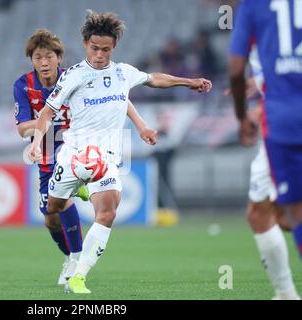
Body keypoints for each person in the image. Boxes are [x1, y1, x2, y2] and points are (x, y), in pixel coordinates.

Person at [28, 12, 212, 294]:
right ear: (85, 43)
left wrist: (189, 82)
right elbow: (45, 114)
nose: (100, 55)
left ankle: (79, 276)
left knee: (107, 213)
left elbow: (154, 79)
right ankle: (77, 190)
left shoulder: (122, 72)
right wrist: (35, 143)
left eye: (105, 49)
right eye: (94, 48)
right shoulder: (74, 76)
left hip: (107, 159)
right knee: (51, 209)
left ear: (113, 47)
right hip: (74, 156)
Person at [13, 28, 155, 290]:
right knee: (49, 216)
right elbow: (23, 128)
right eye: (37, 58)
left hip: (78, 146)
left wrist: (141, 125)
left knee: (71, 203)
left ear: (59, 58)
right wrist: (47, 122)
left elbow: (121, 99)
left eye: (48, 57)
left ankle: (75, 259)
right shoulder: (23, 85)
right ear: (31, 60)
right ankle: (70, 250)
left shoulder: (76, 76)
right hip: (46, 146)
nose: (43, 63)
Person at [229, 0, 302, 276]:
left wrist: (242, 116)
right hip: (281, 115)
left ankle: (285, 292)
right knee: (275, 213)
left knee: (279, 211)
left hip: (284, 123)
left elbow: (236, 68)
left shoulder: (254, 8)